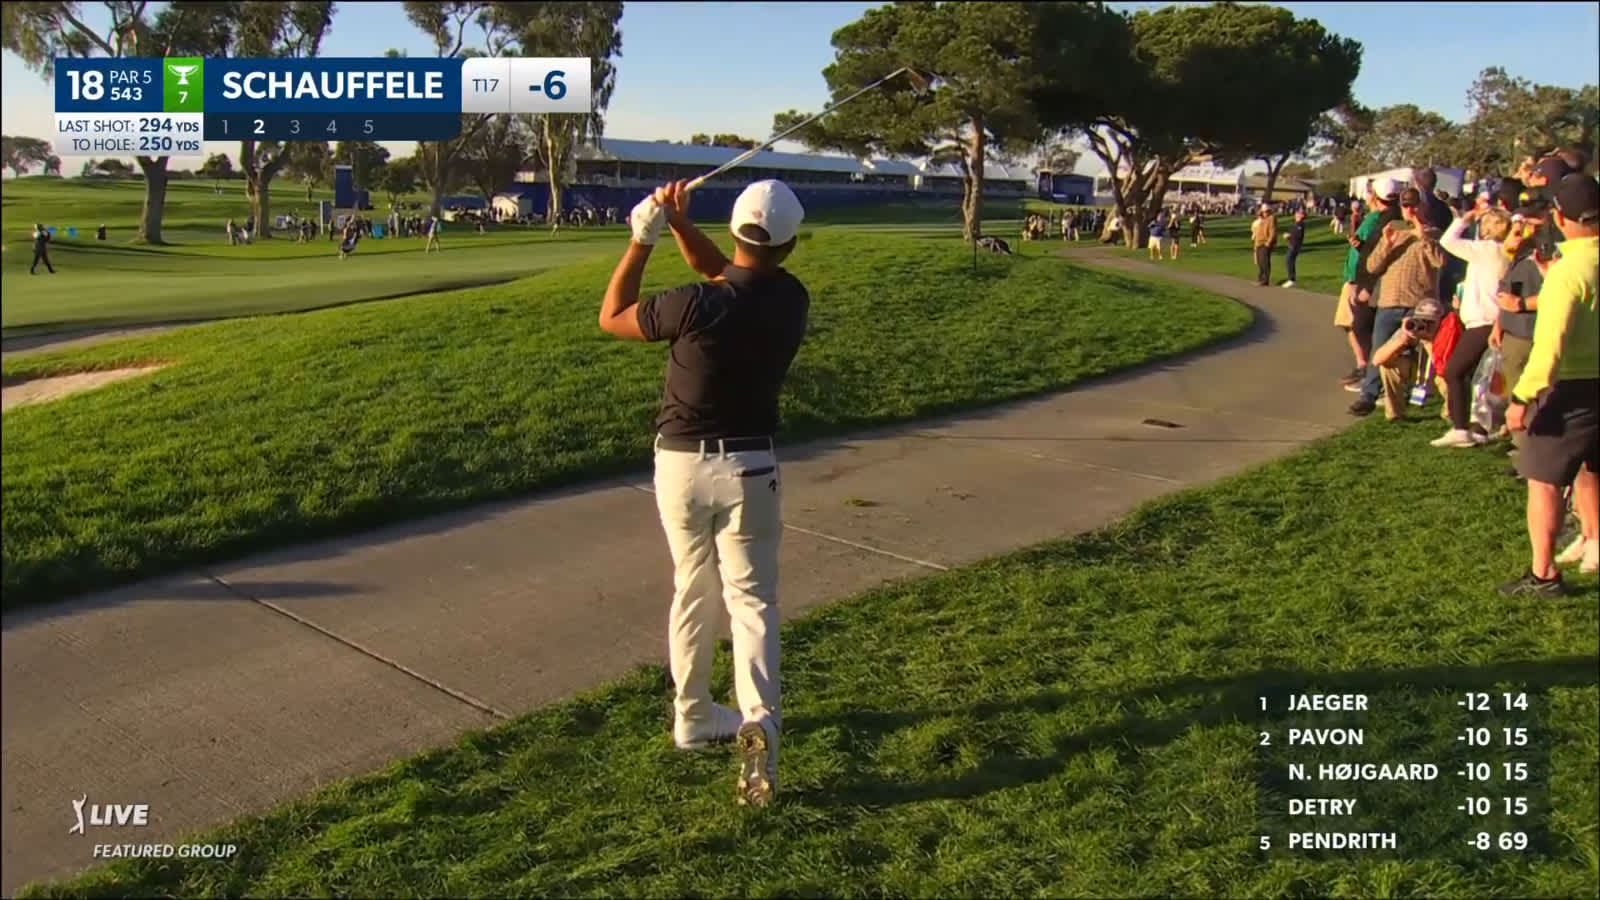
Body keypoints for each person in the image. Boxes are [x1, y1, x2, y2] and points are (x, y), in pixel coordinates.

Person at [597, 178, 810, 807]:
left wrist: (642, 239)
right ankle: (757, 724)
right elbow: (728, 270)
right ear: (790, 244)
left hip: (682, 469)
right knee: (752, 601)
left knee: (692, 586)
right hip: (751, 469)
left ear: (738, 230)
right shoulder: (792, 299)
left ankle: (691, 716)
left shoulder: (694, 304)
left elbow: (612, 315)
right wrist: (681, 222)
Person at [1502, 174, 1600, 594]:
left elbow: (1550, 345)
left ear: (1559, 217)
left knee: (1543, 479)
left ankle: (1544, 574)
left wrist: (1522, 396)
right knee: (1591, 467)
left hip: (1572, 386)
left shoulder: (1567, 272)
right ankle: (1593, 540)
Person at [1351, 187, 1445, 418]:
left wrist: (1422, 232)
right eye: (1405, 205)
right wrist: (1387, 244)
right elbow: (1372, 266)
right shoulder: (1393, 232)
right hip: (1390, 302)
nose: (1409, 210)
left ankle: (1447, 398)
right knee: (1380, 349)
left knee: (1433, 353)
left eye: (1414, 205)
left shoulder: (1433, 233)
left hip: (1419, 304)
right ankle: (1369, 395)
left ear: (1422, 207)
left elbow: (1439, 261)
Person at [1433, 205, 1512, 446]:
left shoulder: (1487, 249)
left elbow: (1448, 241)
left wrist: (1464, 219)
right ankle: (1479, 426)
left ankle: (1460, 428)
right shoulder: (1501, 252)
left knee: (1454, 371)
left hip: (1483, 322)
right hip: (1489, 319)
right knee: (1483, 377)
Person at [1492, 198, 1550, 474]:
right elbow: (1508, 258)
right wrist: (1499, 323)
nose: (1524, 226)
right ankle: (1523, 451)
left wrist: (1522, 305)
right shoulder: (1522, 247)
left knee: (1531, 397)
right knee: (1511, 390)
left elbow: (1557, 292)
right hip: (1513, 329)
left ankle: (1534, 458)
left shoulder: (1552, 248)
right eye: (1521, 221)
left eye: (1530, 221)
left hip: (1535, 330)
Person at [1250, 204, 1277, 285]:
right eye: (1263, 211)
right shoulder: (1263, 219)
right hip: (1259, 242)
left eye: (1266, 211)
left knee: (1264, 262)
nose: (1264, 213)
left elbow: (1273, 232)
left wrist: (1268, 242)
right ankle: (1260, 278)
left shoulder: (1271, 218)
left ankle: (1265, 280)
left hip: (1265, 243)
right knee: (1260, 262)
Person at [1282, 208, 1306, 288]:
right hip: (1291, 244)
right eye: (1297, 213)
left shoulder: (1300, 224)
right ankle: (1291, 278)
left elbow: (1298, 236)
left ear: (1302, 215)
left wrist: (1289, 235)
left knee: (1289, 260)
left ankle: (1291, 279)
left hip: (1295, 245)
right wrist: (1288, 236)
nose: (1296, 214)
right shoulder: (1295, 224)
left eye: (1299, 213)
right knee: (1288, 261)